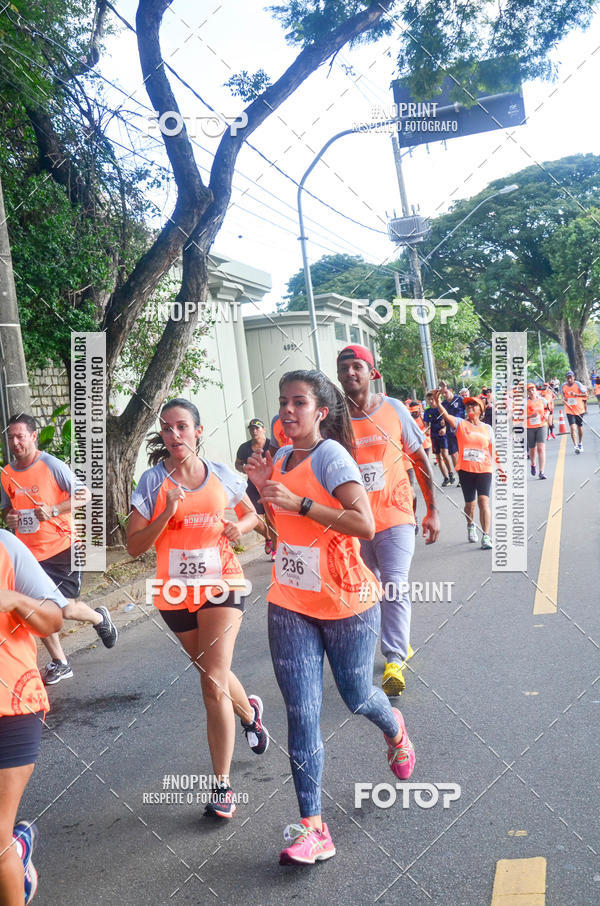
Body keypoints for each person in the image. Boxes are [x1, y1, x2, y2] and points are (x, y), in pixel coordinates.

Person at [245, 370, 416, 866]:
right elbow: (281, 531)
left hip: (347, 602)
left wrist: (300, 502)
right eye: (283, 401)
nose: (288, 410)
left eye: (299, 402)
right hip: (290, 601)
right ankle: (314, 828)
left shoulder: (331, 456)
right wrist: (263, 490)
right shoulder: (280, 458)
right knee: (301, 713)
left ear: (320, 412)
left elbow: (364, 523)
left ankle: (394, 727)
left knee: (357, 695)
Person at [127, 398, 268, 820]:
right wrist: (165, 513)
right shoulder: (152, 482)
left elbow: (254, 516)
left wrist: (239, 526)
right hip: (174, 592)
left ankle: (222, 786)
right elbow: (134, 546)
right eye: (167, 428)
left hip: (221, 583)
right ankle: (250, 714)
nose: (174, 434)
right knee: (213, 672)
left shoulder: (220, 473)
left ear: (198, 431)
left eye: (182, 426)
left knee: (211, 682)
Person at [336, 345, 439, 696]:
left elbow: (419, 458)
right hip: (354, 522)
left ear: (372, 373)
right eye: (344, 367)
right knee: (370, 588)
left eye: (357, 366)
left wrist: (432, 510)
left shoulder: (394, 409)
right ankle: (399, 639)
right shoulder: (334, 419)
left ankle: (394, 658)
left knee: (394, 583)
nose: (350, 372)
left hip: (395, 515)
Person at [1, 415, 117, 686]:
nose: (15, 442)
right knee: (38, 609)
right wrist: (10, 518)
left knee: (63, 609)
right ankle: (61, 662)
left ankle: (99, 617)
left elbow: (85, 495)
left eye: (20, 436)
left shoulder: (51, 465)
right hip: (28, 555)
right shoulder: (6, 473)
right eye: (11, 437)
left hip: (62, 548)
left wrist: (54, 510)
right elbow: (7, 508)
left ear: (33, 436)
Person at [0, 529, 67, 905]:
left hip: (11, 704)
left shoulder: (5, 547)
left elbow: (53, 620)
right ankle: (18, 848)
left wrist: (14, 600)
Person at [432, 390, 502, 550]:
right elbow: (447, 416)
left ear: (480, 410)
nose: (469, 407)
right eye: (468, 406)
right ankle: (470, 525)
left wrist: (500, 468)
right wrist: (438, 403)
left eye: (473, 405)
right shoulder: (460, 424)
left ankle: (486, 536)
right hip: (466, 470)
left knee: (483, 501)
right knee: (470, 505)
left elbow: (492, 449)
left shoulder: (487, 428)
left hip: (484, 468)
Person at [235, 418, 277, 560]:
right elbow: (237, 464)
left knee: (271, 518)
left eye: (257, 428)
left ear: (264, 429)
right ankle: (268, 537)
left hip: (269, 484)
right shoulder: (244, 448)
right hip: (252, 486)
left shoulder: (271, 445)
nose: (254, 431)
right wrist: (244, 469)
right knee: (253, 517)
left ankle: (275, 549)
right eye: (252, 428)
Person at [423, 392, 454, 486]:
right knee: (438, 456)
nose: (431, 401)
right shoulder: (427, 410)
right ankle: (446, 478)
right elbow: (426, 423)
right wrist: (427, 430)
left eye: (433, 399)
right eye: (429, 400)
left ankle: (451, 473)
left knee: (444, 453)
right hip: (434, 434)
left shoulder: (441, 408)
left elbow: (448, 420)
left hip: (443, 434)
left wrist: (444, 428)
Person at [439, 381, 464, 470]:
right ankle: (459, 475)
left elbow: (467, 412)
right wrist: (443, 422)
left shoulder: (460, 400)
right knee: (453, 454)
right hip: (450, 432)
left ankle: (466, 473)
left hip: (462, 430)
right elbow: (442, 417)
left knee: (463, 453)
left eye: (446, 392)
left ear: (450, 390)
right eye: (442, 394)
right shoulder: (443, 404)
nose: (444, 395)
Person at [561, 371, 587, 453]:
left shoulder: (578, 384)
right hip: (569, 409)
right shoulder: (563, 386)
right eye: (568, 378)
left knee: (579, 427)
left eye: (571, 377)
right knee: (572, 427)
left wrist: (576, 395)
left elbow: (586, 395)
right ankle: (575, 446)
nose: (569, 379)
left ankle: (580, 443)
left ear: (574, 377)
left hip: (579, 409)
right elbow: (564, 396)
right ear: (566, 378)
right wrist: (564, 399)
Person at [526, 384, 548, 479]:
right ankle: (533, 464)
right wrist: (530, 416)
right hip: (530, 427)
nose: (531, 391)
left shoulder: (542, 400)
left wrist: (546, 415)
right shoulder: (524, 402)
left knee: (541, 448)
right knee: (532, 449)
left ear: (536, 390)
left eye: (533, 389)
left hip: (541, 426)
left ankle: (541, 472)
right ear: (527, 392)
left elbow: (548, 410)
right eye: (529, 390)